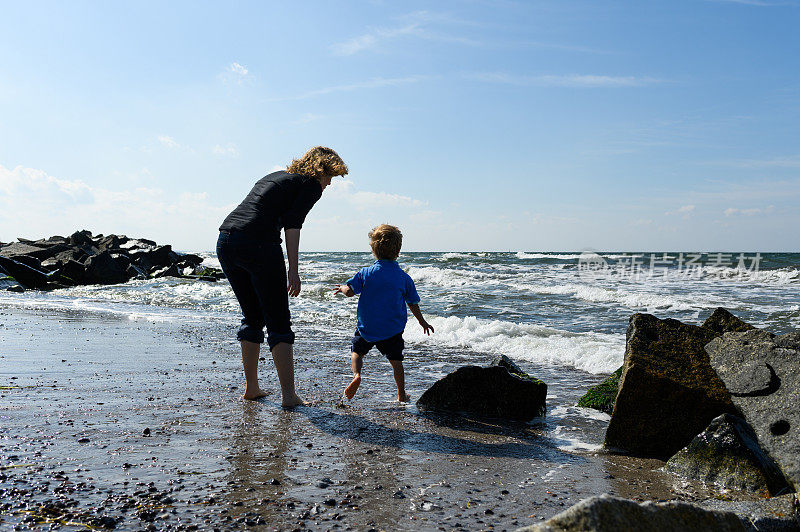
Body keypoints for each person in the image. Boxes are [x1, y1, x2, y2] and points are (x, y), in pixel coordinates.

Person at [217, 146, 348, 405]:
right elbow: (293, 225)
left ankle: (252, 388)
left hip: (226, 240)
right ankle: (289, 395)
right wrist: (294, 270)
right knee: (279, 321)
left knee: (252, 316)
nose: (329, 183)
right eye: (330, 176)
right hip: (258, 244)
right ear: (321, 169)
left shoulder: (275, 176)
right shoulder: (310, 185)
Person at [333, 224, 434, 402]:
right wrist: (422, 321)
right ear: (398, 250)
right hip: (391, 330)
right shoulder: (404, 277)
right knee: (396, 361)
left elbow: (350, 292)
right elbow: (413, 303)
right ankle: (401, 394)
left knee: (357, 352)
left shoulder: (366, 273)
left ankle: (356, 375)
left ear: (373, 249)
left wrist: (342, 288)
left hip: (367, 328)